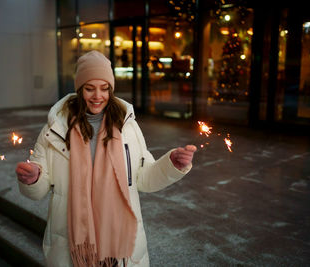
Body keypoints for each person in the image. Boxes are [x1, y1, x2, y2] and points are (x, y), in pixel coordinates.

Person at [15, 50, 196, 267]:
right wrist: (34, 178)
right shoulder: (56, 130)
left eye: (104, 89)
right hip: (71, 243)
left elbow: (144, 177)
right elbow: (40, 187)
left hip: (119, 246)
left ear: (111, 89)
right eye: (89, 89)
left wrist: (171, 164)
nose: (97, 96)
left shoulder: (127, 126)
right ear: (79, 89)